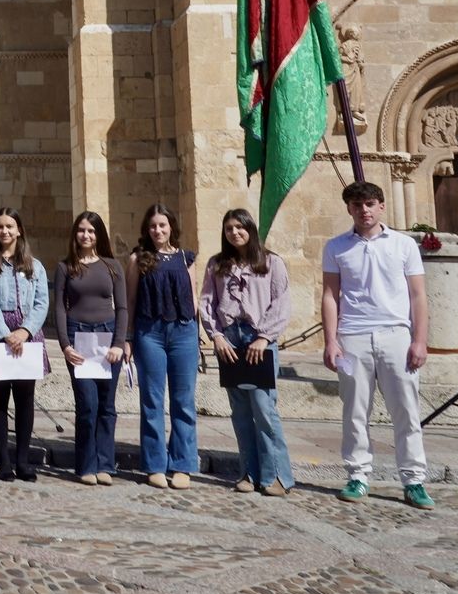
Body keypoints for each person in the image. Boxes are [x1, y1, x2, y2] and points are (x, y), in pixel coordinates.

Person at [322, 181, 434, 510]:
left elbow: (418, 295)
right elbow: (331, 295)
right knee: (355, 411)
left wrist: (420, 340)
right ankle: (358, 475)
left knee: (407, 411)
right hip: (353, 336)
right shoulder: (336, 246)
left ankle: (414, 480)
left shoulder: (403, 245)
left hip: (395, 334)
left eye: (370, 203)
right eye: (357, 205)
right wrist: (331, 340)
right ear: (349, 209)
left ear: (381, 206)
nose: (364, 210)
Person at [200, 208, 293, 497]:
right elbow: (207, 301)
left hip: (258, 339)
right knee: (240, 411)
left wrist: (265, 337)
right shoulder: (217, 264)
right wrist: (215, 335)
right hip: (229, 340)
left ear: (250, 229)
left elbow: (281, 302)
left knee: (264, 410)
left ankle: (276, 475)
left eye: (240, 227)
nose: (234, 232)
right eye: (229, 228)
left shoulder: (271, 262)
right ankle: (248, 472)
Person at [126, 203, 199, 489]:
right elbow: (130, 301)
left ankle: (182, 463)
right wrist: (128, 338)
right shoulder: (137, 259)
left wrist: (198, 334)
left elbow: (193, 299)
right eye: (153, 226)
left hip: (183, 332)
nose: (158, 230)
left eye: (163, 225)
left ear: (171, 228)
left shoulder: (186, 259)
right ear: (147, 229)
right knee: (152, 401)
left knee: (184, 401)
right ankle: (155, 463)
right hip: (150, 333)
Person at [0, 207, 50, 482]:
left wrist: (25, 331)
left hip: (27, 334)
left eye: (9, 226)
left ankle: (23, 460)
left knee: (25, 399)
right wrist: (7, 333)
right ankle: (4, 461)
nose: (4, 231)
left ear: (19, 229)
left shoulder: (35, 266)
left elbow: (42, 302)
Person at [53, 211, 126, 485]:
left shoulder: (112, 266)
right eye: (82, 230)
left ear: (99, 235)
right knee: (87, 404)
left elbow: (122, 307)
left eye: (92, 231)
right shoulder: (65, 267)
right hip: (79, 337)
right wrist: (65, 345)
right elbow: (60, 307)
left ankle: (106, 465)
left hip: (107, 338)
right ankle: (86, 465)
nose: (86, 235)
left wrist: (119, 343)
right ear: (75, 234)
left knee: (107, 405)